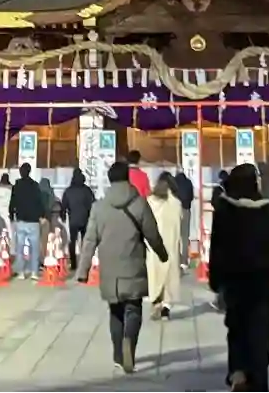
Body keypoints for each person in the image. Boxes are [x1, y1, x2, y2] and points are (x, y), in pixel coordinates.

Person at [77, 158, 168, 375]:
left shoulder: (99, 207)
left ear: (109, 180)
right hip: (133, 267)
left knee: (115, 312)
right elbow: (152, 233)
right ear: (128, 178)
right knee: (133, 310)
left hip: (110, 270)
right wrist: (162, 254)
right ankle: (130, 344)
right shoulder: (139, 204)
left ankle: (118, 356)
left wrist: (83, 270)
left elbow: (89, 240)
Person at [209, 163, 269, 393]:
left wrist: (216, 282)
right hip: (261, 283)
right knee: (260, 331)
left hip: (233, 281)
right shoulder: (266, 210)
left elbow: (217, 249)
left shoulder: (224, 210)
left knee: (237, 328)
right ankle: (258, 379)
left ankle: (238, 373)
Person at [147, 173, 185, 320]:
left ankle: (156, 302)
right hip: (171, 245)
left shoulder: (150, 201)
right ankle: (166, 307)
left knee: (155, 275)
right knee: (169, 275)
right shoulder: (176, 203)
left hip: (154, 246)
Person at [7, 162, 46, 281]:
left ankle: (21, 272)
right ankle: (34, 272)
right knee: (34, 248)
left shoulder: (17, 186)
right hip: (33, 221)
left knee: (20, 248)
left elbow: (12, 202)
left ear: (20, 172)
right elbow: (40, 202)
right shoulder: (35, 186)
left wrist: (11, 215)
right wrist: (42, 215)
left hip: (21, 220)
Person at [61, 167, 96, 274]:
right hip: (85, 219)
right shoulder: (87, 190)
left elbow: (64, 205)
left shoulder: (68, 191)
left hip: (73, 220)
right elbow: (93, 204)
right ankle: (85, 263)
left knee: (72, 241)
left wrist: (63, 216)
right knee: (85, 242)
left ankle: (73, 264)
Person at [170, 164, 195, 270]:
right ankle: (184, 261)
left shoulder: (172, 182)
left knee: (174, 235)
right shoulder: (188, 182)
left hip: (174, 211)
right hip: (186, 210)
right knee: (185, 236)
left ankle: (175, 260)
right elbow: (191, 197)